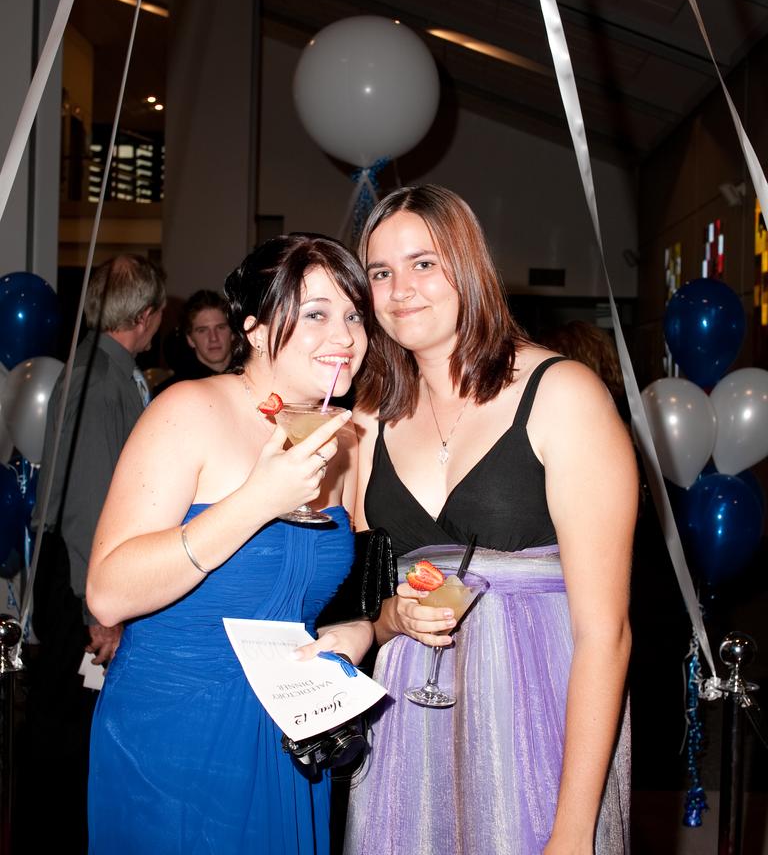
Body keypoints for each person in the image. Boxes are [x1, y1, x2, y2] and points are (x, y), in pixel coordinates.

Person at [345, 186, 637, 855]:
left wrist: (574, 829)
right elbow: (350, 587)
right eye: (381, 272)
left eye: (423, 264)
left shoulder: (562, 394)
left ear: (468, 266)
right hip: (412, 713)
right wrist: (391, 615)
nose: (400, 290)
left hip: (535, 710)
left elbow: (606, 635)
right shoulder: (367, 417)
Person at [85, 234, 375, 854]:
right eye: (317, 313)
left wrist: (362, 631)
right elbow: (107, 593)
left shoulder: (343, 442)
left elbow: (342, 590)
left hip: (290, 730)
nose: (346, 336)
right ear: (259, 329)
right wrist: (254, 501)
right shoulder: (187, 410)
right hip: (174, 738)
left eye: (354, 314)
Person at [23, 254, 166, 854]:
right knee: (67, 737)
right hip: (81, 580)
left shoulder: (113, 371)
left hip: (88, 572)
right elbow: (85, 505)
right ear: (144, 314)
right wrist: (99, 610)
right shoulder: (97, 380)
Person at [155, 289, 233, 393]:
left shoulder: (252, 377)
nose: (213, 338)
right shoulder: (171, 392)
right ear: (190, 339)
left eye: (220, 327)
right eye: (202, 330)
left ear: (233, 333)